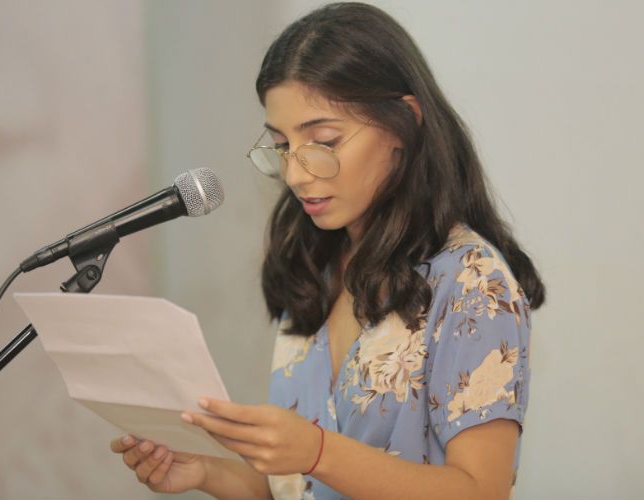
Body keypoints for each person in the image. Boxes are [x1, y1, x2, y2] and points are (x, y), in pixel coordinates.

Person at [110, 2, 546, 499]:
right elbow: (303, 488)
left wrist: (318, 450)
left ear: (403, 124)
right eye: (281, 145)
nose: (296, 173)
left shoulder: (471, 280)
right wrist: (208, 474)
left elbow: (480, 491)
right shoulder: (314, 263)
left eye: (324, 140)